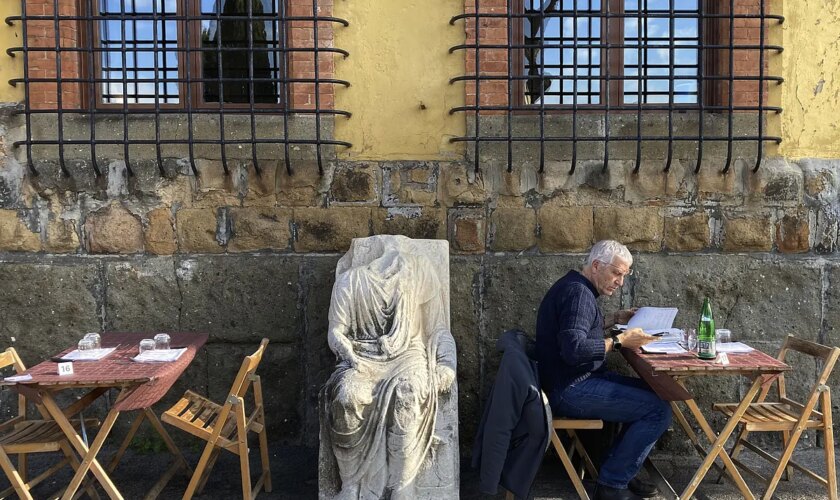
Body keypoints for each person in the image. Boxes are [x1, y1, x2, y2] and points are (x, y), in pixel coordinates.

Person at [535, 240, 672, 500]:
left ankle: (616, 473)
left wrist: (614, 319)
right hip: (571, 389)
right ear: (597, 266)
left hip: (571, 381)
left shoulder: (575, 287)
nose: (620, 282)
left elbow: (578, 331)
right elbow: (573, 349)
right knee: (658, 410)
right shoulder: (579, 296)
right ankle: (612, 485)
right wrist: (619, 341)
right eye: (616, 273)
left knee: (658, 393)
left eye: (624, 275)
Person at [323, 236, 457, 500]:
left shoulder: (420, 272)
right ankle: (352, 483)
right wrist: (347, 352)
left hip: (409, 356)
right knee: (348, 397)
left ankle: (403, 485)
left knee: (409, 392)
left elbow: (438, 329)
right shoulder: (351, 281)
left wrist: (446, 363)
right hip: (361, 357)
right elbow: (336, 331)